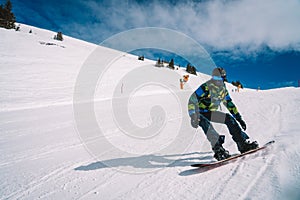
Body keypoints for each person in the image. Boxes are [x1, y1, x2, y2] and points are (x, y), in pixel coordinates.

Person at [188, 67, 258, 161]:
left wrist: (238, 118)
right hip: (199, 112)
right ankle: (218, 150)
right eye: (215, 78)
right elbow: (192, 99)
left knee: (229, 119)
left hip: (210, 112)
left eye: (220, 79)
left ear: (224, 78)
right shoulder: (206, 87)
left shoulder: (223, 90)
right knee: (206, 124)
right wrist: (193, 115)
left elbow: (229, 103)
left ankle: (242, 144)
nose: (217, 81)